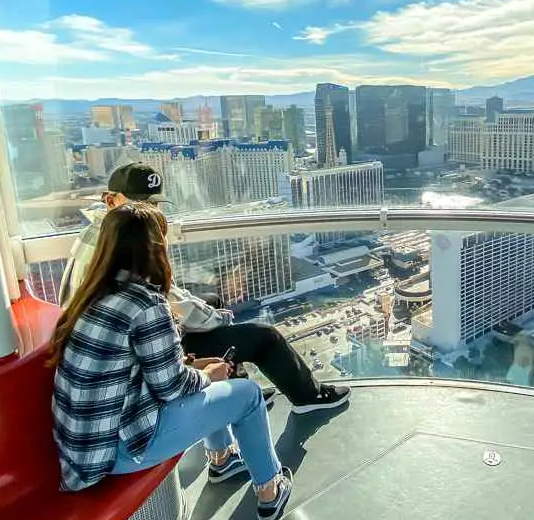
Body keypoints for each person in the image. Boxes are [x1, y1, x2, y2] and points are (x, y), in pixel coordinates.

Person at [49, 203, 293, 520]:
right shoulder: (145, 304)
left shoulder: (92, 296)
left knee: (210, 380)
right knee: (247, 395)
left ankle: (222, 458)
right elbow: (171, 387)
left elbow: (136, 372)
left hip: (83, 450)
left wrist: (196, 367)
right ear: (154, 248)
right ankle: (271, 489)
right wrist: (207, 374)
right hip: (121, 449)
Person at [60, 162, 350, 415]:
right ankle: (308, 397)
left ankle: (236, 384)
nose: (148, 210)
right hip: (136, 356)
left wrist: (210, 310)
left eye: (153, 203)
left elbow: (165, 295)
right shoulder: (128, 245)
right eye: (138, 202)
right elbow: (165, 303)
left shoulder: (101, 233)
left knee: (211, 300)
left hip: (115, 344)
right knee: (265, 337)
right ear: (111, 200)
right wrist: (219, 317)